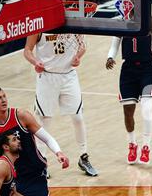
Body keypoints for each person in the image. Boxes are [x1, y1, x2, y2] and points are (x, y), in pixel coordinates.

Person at [24, 31, 99, 177]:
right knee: (44, 121)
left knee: (78, 117)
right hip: (47, 77)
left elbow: (82, 45)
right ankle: (41, 162)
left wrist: (78, 56)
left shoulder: (71, 21)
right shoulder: (40, 25)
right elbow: (27, 50)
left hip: (69, 75)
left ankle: (83, 157)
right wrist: (35, 62)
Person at [106, 0, 152, 165]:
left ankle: (146, 146)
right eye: (131, 1)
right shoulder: (122, 21)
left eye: (136, 1)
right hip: (128, 70)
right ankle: (132, 144)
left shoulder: (151, 21)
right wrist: (111, 57)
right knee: (128, 111)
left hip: (148, 69)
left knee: (146, 109)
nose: (133, 3)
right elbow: (115, 42)